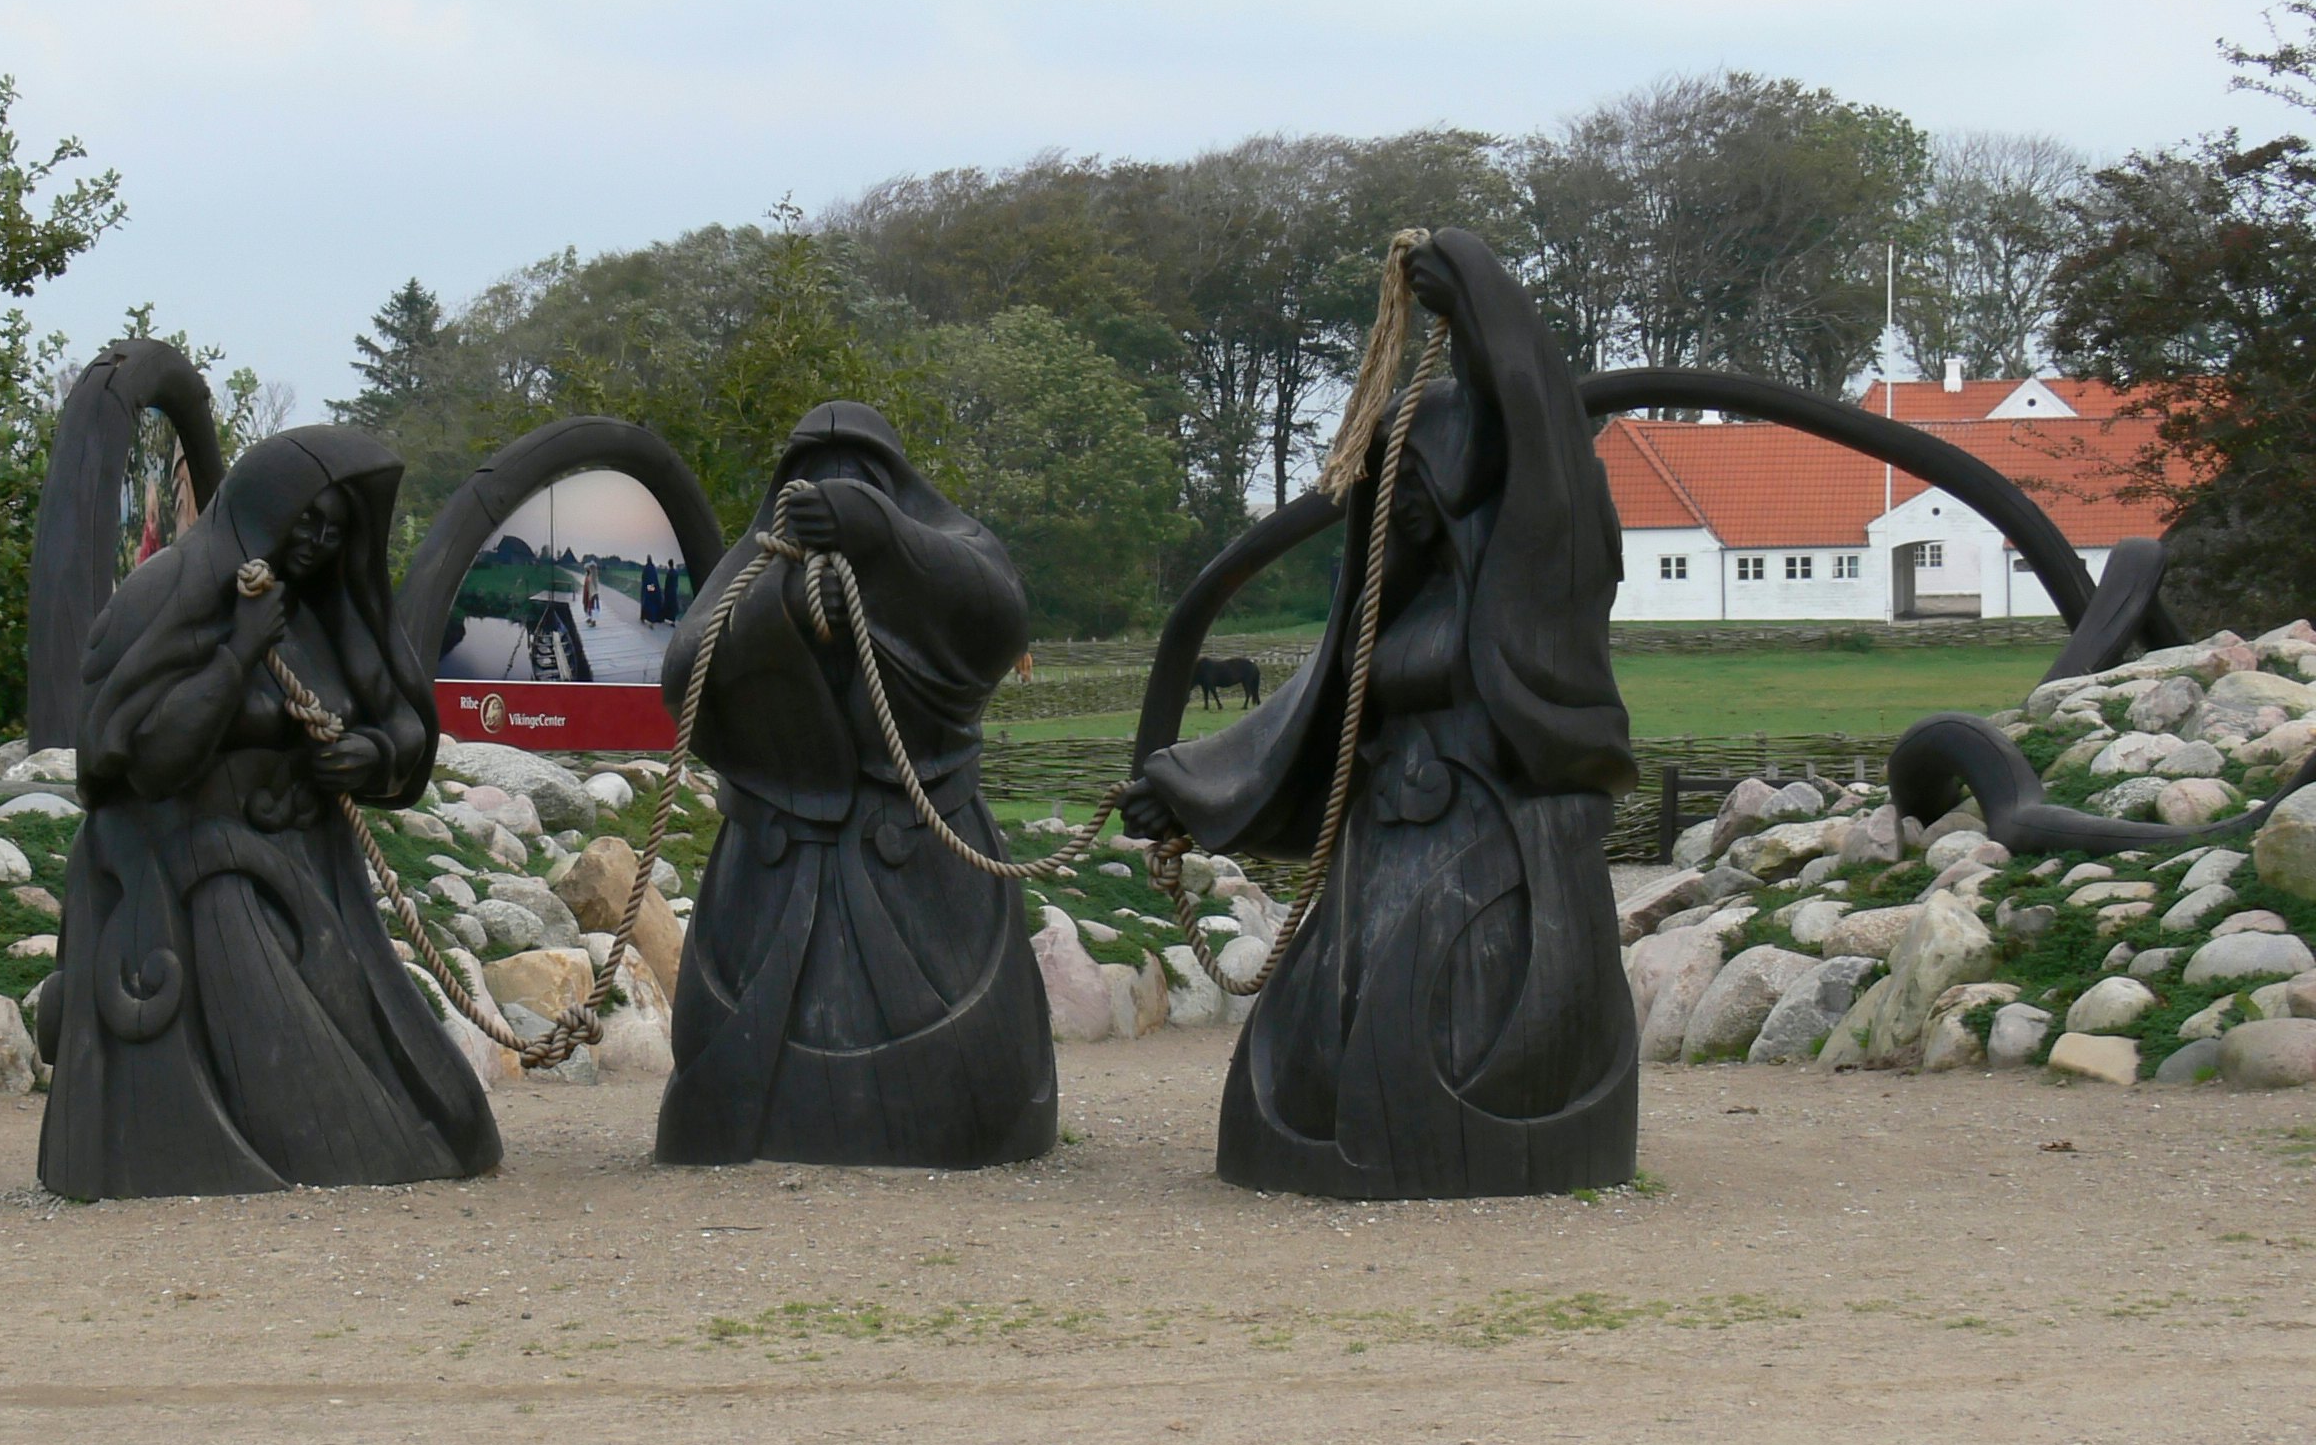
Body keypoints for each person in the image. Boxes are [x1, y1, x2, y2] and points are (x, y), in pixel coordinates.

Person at [1122, 229, 1639, 1199]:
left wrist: (1478, 298)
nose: (1394, 508)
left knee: (1432, 1024)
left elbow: (1544, 455)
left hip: (1496, 843)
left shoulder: (1526, 588)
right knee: (1325, 1040)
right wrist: (1186, 788)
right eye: (1384, 492)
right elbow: (1320, 699)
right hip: (1377, 856)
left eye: (1413, 488)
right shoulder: (1386, 620)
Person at [36, 425, 501, 1198]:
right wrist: (237, 652)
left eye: (335, 526)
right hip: (202, 877)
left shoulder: (330, 608)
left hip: (317, 879)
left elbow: (401, 721)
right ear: (263, 510)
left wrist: (371, 755)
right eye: (305, 518)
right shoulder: (170, 591)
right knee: (339, 1120)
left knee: (448, 1116)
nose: (318, 540)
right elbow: (132, 760)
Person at [654, 401, 1056, 1168]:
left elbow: (999, 617)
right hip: (774, 852)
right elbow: (687, 673)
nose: (830, 493)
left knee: (972, 1070)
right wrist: (786, 608)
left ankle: (968, 1120)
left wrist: (884, 540)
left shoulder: (953, 545)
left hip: (922, 838)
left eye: (861, 481)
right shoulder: (753, 567)